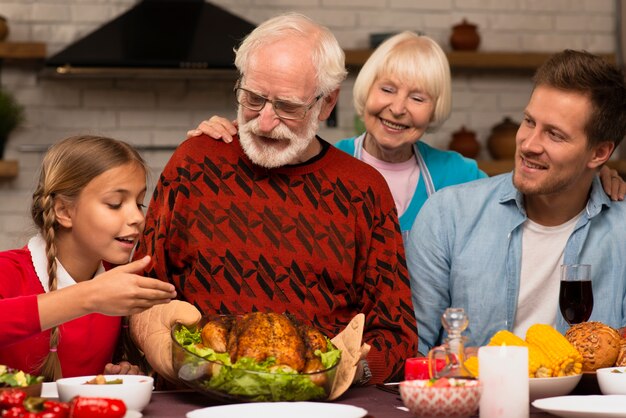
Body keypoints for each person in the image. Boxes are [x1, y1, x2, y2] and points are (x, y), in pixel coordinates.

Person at [131, 13, 417, 385]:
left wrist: (345, 373)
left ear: (326, 104)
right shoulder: (195, 162)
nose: (264, 122)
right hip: (194, 395)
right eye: (253, 98)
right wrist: (169, 355)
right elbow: (139, 291)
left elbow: (398, 334)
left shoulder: (364, 190)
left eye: (287, 106)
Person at [188, 31, 625, 238]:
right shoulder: (321, 161)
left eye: (418, 97)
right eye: (388, 89)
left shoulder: (460, 175)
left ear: (435, 109)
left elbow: (540, 188)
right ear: (362, 92)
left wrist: (601, 178)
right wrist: (225, 138)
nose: (398, 108)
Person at [408, 50, 626, 353]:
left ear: (599, 154)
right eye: (529, 121)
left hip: (586, 402)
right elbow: (410, 355)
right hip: (474, 400)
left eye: (554, 134)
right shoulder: (448, 216)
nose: (528, 144)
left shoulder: (621, 233)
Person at [0, 135, 177, 381]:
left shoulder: (119, 280)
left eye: (139, 204)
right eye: (115, 204)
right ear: (63, 211)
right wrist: (90, 296)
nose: (137, 217)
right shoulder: (8, 271)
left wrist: (119, 372)